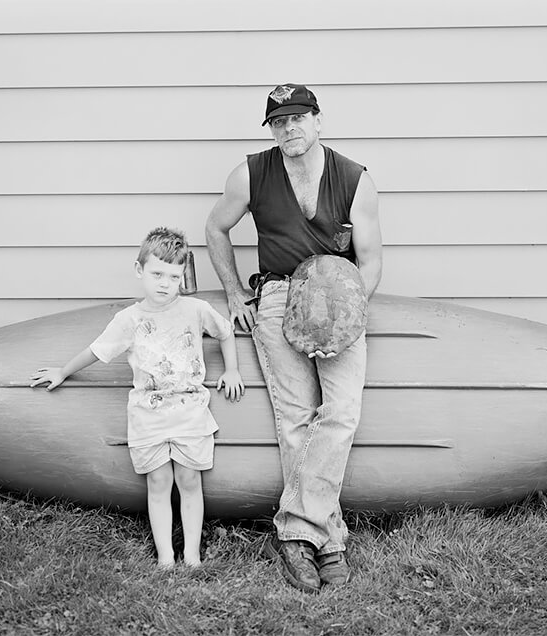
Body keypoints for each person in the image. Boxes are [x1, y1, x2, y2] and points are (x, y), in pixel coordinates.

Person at [205, 84, 382, 592]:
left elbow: (370, 264)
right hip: (280, 294)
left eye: (298, 118)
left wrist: (343, 318)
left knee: (342, 412)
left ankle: (297, 532)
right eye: (279, 122)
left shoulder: (355, 179)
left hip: (336, 293)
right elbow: (216, 228)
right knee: (296, 417)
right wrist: (236, 292)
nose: (289, 129)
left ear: (318, 120)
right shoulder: (251, 173)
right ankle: (328, 541)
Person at [30, 227, 245, 569]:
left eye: (174, 277)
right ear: (139, 270)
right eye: (157, 274)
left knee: (189, 480)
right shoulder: (128, 320)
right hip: (148, 415)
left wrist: (231, 369)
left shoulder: (195, 309)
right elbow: (96, 350)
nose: (164, 283)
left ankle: (191, 554)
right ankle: (165, 557)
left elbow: (224, 332)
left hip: (190, 411)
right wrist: (62, 371)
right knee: (158, 482)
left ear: (182, 277)